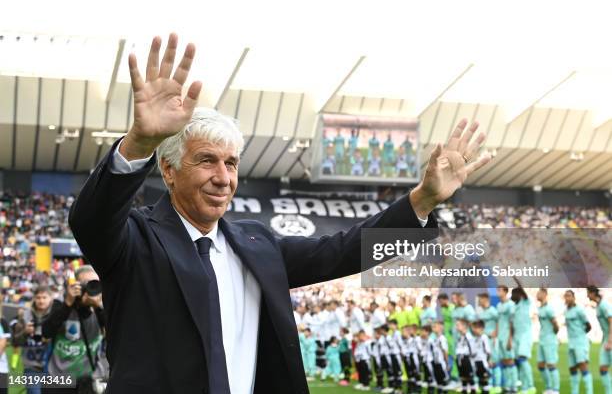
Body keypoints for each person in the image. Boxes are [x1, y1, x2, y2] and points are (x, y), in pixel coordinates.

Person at [68, 33, 490, 393]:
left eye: (231, 163)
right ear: (169, 170)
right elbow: (91, 221)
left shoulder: (256, 242)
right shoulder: (136, 239)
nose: (222, 177)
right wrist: (139, 143)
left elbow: (343, 251)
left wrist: (422, 200)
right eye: (206, 161)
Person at [42, 265, 106, 394]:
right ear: (76, 285)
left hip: (88, 379)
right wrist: (68, 304)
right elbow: (46, 332)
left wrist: (98, 307)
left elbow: (113, 333)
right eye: (87, 284)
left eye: (95, 283)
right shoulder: (61, 303)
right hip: (58, 379)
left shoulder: (102, 306)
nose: (91, 288)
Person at [11, 286, 54, 394]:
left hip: (52, 367)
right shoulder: (25, 315)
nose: (41, 300)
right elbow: (15, 342)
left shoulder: (56, 315)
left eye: (44, 297)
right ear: (34, 298)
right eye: (38, 297)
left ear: (51, 298)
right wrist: (25, 332)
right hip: (31, 366)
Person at [564, 289, 593, 394]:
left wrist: (581, 336)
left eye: (569, 296)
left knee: (582, 365)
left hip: (580, 342)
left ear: (573, 297)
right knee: (572, 368)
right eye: (565, 296)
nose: (567, 298)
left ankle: (589, 392)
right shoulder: (566, 311)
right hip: (571, 342)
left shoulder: (579, 310)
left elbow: (589, 326)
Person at [587, 286, 612, 394]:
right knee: (603, 369)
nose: (587, 295)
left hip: (610, 340)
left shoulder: (604, 305)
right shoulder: (598, 306)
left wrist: (610, 340)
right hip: (606, 339)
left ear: (593, 293)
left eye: (588, 293)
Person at [511, 287, 535, 393]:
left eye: (514, 293)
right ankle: (523, 386)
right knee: (517, 361)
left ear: (520, 294)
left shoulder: (525, 302)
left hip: (525, 336)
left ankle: (530, 386)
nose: (512, 296)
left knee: (522, 360)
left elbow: (522, 288)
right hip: (516, 337)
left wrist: (513, 275)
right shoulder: (513, 307)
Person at [537, 288, 560, 394]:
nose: (537, 294)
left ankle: (555, 390)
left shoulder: (549, 309)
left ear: (545, 294)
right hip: (542, 339)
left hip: (549, 340)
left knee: (551, 364)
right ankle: (549, 387)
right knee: (540, 365)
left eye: (539, 293)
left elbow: (555, 324)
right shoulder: (540, 308)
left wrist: (552, 336)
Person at [476, 292, 500, 392]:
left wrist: (495, 333)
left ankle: (497, 386)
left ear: (485, 299)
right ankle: (488, 384)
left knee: (493, 362)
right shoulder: (482, 313)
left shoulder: (493, 311)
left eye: (480, 299)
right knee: (486, 362)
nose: (478, 302)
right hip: (484, 340)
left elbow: (499, 321)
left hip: (492, 339)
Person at [496, 285, 518, 393]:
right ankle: (507, 386)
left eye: (499, 290)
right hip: (500, 337)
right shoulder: (499, 305)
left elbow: (512, 323)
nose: (497, 292)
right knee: (503, 361)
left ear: (505, 292)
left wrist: (510, 339)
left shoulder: (511, 305)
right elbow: (498, 321)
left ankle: (513, 386)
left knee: (510, 361)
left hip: (507, 337)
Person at [455, 319, 476, 394]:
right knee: (463, 377)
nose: (456, 327)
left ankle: (473, 391)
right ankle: (464, 390)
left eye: (458, 325)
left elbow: (473, 350)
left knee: (469, 377)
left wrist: (470, 359)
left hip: (467, 359)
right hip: (460, 359)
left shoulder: (468, 336)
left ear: (464, 326)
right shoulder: (460, 337)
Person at [471, 320, 491, 394]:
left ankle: (486, 391)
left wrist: (488, 361)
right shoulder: (475, 338)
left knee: (484, 378)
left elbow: (488, 351)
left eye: (476, 328)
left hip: (483, 361)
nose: (474, 330)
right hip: (476, 361)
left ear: (482, 328)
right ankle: (482, 389)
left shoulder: (484, 337)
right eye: (473, 328)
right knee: (480, 378)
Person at [431, 321, 450, 393]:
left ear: (440, 328)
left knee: (444, 382)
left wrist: (446, 363)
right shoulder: (435, 338)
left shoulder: (442, 338)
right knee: (438, 382)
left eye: (435, 326)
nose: (433, 328)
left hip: (442, 363)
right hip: (436, 362)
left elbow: (445, 351)